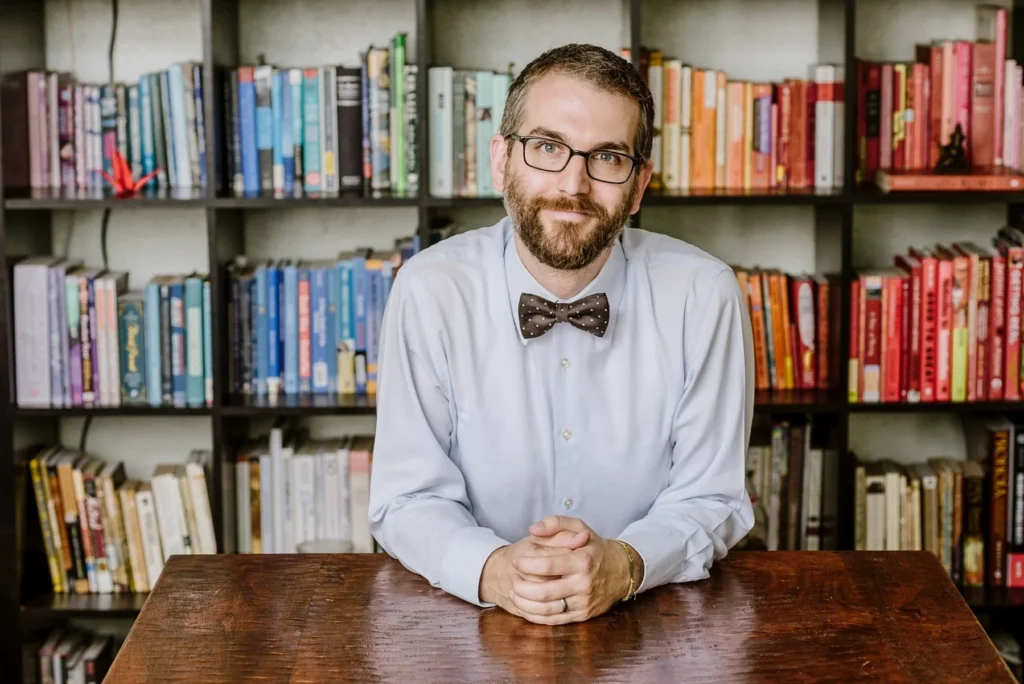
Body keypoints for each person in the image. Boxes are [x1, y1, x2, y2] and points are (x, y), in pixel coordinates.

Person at [368, 42, 755, 625]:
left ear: (639, 184)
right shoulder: (429, 289)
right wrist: (496, 570)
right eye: (548, 147)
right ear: (502, 160)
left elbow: (711, 498)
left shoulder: (705, 295)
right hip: (469, 624)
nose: (573, 185)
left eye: (606, 157)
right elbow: (406, 497)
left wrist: (625, 565)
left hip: (653, 622)